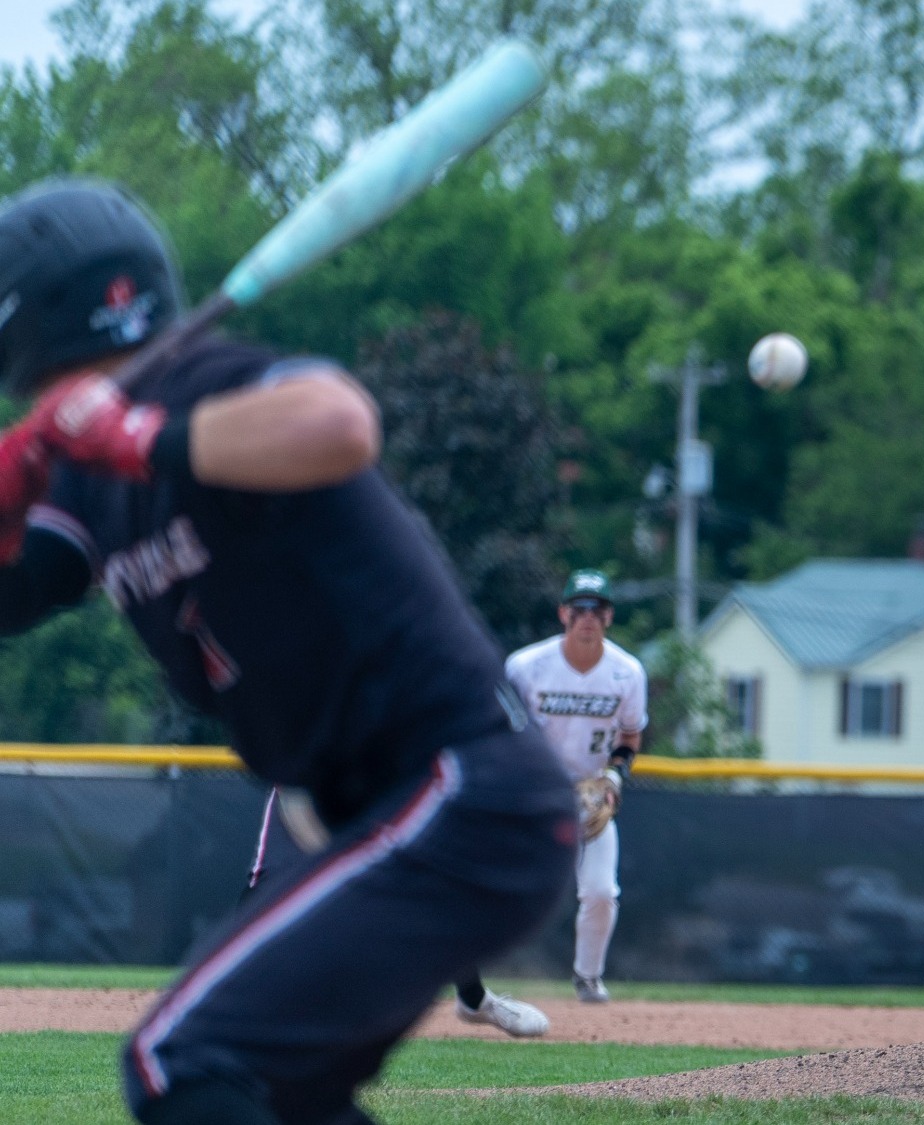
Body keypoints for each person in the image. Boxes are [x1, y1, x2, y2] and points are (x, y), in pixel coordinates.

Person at [0, 177, 576, 1125]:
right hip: (397, 811)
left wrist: (136, 433)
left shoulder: (210, 386)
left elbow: (340, 424)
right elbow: (20, 589)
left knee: (176, 1059)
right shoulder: (87, 480)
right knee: (270, 1090)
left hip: (463, 788)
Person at [243, 789, 551, 1038]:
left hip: (385, 770)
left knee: (436, 886)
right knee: (271, 884)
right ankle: (241, 1001)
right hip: (310, 777)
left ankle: (474, 999)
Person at [505, 569, 648, 1004]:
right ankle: (463, 976)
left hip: (589, 795)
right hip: (532, 793)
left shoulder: (627, 673)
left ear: (609, 617)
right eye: (580, 607)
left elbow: (629, 737)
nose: (587, 616)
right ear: (563, 612)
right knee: (497, 885)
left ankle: (587, 977)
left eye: (597, 608)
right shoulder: (527, 667)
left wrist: (612, 776)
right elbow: (504, 732)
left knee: (602, 893)